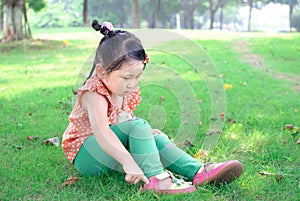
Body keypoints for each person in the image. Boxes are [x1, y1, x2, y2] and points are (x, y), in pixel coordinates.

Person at [62, 20, 244, 194]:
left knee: (148, 134)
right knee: (139, 125)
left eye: (137, 77)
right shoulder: (94, 93)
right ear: (102, 71)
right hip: (88, 155)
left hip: (109, 151)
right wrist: (129, 162)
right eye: (127, 77)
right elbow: (103, 133)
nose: (132, 84)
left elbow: (123, 123)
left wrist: (147, 136)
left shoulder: (120, 89)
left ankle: (197, 171)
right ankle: (157, 178)